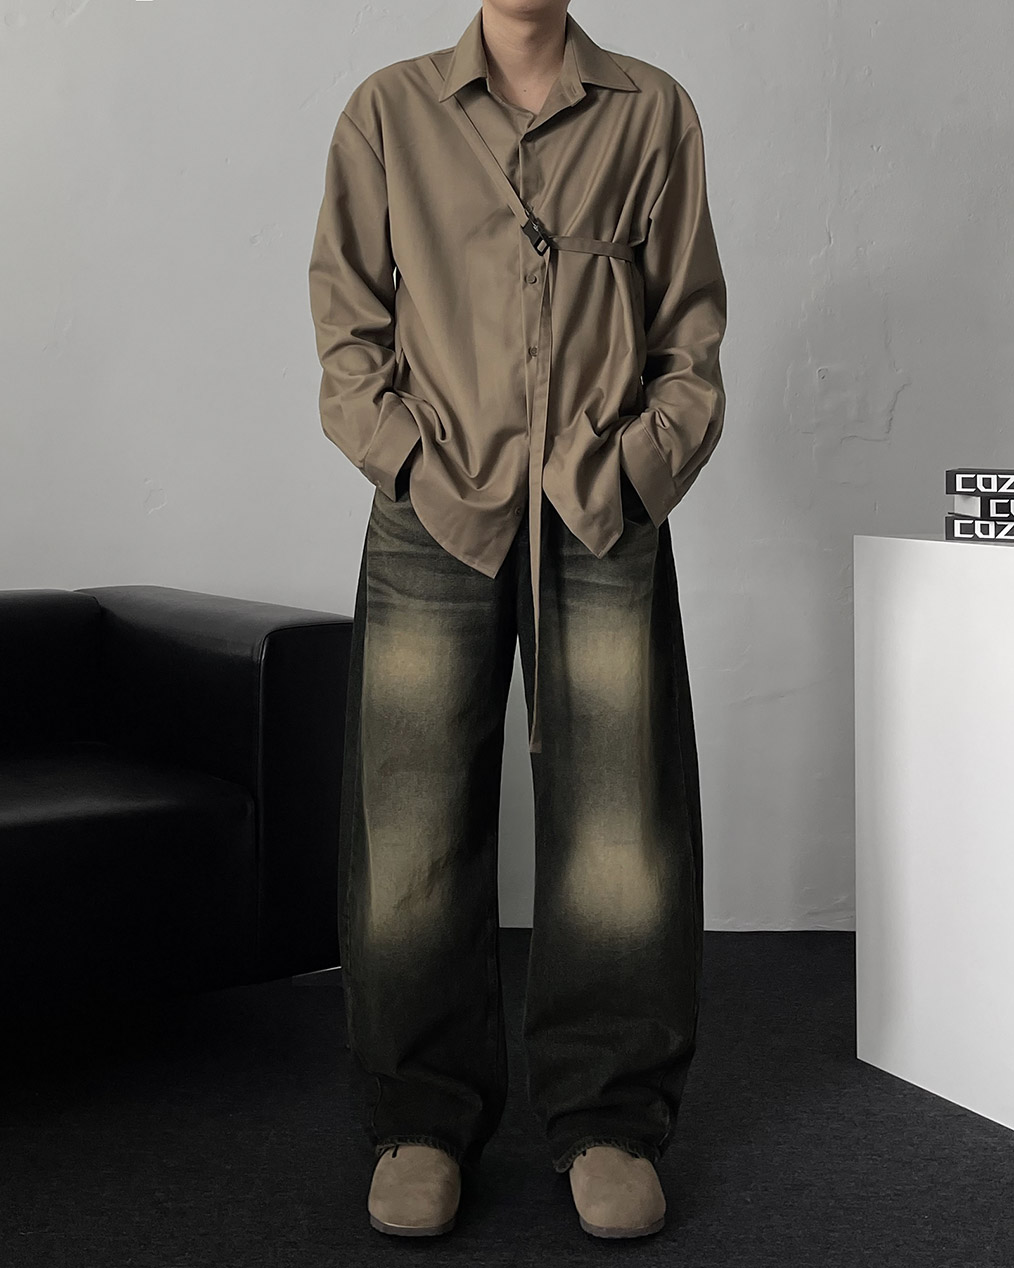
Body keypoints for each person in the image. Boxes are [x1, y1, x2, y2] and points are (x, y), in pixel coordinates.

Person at [307, 0, 726, 1240]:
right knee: (410, 828)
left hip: (600, 514)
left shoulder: (651, 112)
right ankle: (421, 1119)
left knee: (621, 827)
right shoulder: (390, 112)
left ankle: (610, 1118)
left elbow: (690, 330)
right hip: (434, 513)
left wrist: (635, 473)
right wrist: (413, 467)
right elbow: (346, 327)